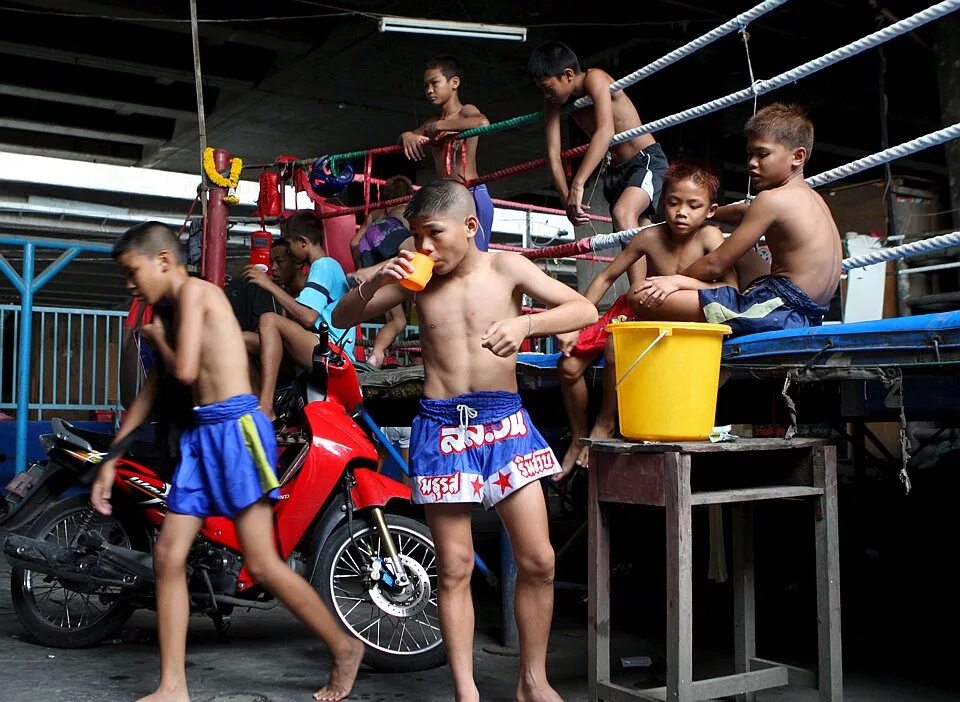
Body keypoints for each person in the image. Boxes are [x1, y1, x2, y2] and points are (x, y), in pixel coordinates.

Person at [333, 180, 597, 702]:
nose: (424, 247)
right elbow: (341, 318)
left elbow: (584, 311)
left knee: (539, 559)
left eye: (433, 234)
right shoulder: (414, 280)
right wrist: (372, 282)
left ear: (470, 227)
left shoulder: (507, 267)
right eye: (415, 236)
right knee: (452, 566)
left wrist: (528, 324)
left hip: (505, 424)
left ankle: (532, 681)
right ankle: (466, 692)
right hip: (441, 425)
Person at [90, 222, 364, 702]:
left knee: (261, 563)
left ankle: (344, 648)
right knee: (168, 556)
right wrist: (113, 455)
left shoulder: (196, 293)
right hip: (201, 437)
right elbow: (155, 391)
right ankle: (173, 687)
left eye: (133, 272)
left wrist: (157, 342)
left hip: (237, 432)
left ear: (163, 261)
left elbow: (186, 369)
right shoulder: (172, 312)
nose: (131, 284)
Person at [554, 161, 738, 476]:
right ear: (661, 204)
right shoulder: (649, 236)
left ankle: (605, 422)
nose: (682, 212)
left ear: (710, 210)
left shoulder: (710, 236)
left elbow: (730, 290)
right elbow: (605, 278)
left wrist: (679, 282)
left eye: (694, 205)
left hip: (684, 315)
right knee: (568, 364)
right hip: (640, 308)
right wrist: (575, 320)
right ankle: (576, 437)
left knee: (615, 346)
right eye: (673, 202)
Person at [631, 103, 842, 337]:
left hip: (779, 311)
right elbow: (743, 213)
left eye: (762, 154)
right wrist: (701, 212)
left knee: (640, 296)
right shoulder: (812, 198)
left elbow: (715, 264)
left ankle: (702, 299)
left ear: (797, 156)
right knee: (742, 253)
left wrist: (674, 281)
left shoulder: (771, 200)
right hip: (810, 311)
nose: (752, 162)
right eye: (750, 154)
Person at [527, 41, 669, 285]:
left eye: (548, 87)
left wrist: (578, 184)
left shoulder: (596, 78)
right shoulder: (553, 102)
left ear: (568, 75)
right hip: (616, 171)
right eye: (542, 89)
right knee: (641, 237)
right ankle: (658, 293)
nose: (546, 94)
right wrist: (566, 200)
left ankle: (637, 296)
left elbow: (605, 130)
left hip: (644, 160)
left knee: (623, 214)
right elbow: (553, 153)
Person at [244, 211, 356, 419]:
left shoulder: (324, 265)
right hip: (318, 347)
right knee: (244, 339)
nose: (290, 251)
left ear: (302, 242)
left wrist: (269, 286)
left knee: (268, 319)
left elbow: (308, 318)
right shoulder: (321, 267)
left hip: (333, 353)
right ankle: (256, 401)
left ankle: (265, 407)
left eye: (290, 245)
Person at [399, 55, 495, 252]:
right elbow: (405, 140)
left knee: (476, 255)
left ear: (454, 82)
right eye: (426, 85)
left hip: (470, 192)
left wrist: (441, 126)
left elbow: (483, 123)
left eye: (435, 83)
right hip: (445, 197)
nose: (429, 90)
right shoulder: (431, 122)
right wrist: (407, 135)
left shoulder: (465, 111)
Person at [349, 175, 415, 368]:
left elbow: (354, 243)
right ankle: (377, 354)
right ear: (409, 196)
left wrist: (361, 267)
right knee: (399, 320)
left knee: (393, 317)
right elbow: (414, 245)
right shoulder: (408, 213)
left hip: (371, 259)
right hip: (390, 259)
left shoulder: (377, 213)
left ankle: (380, 354)